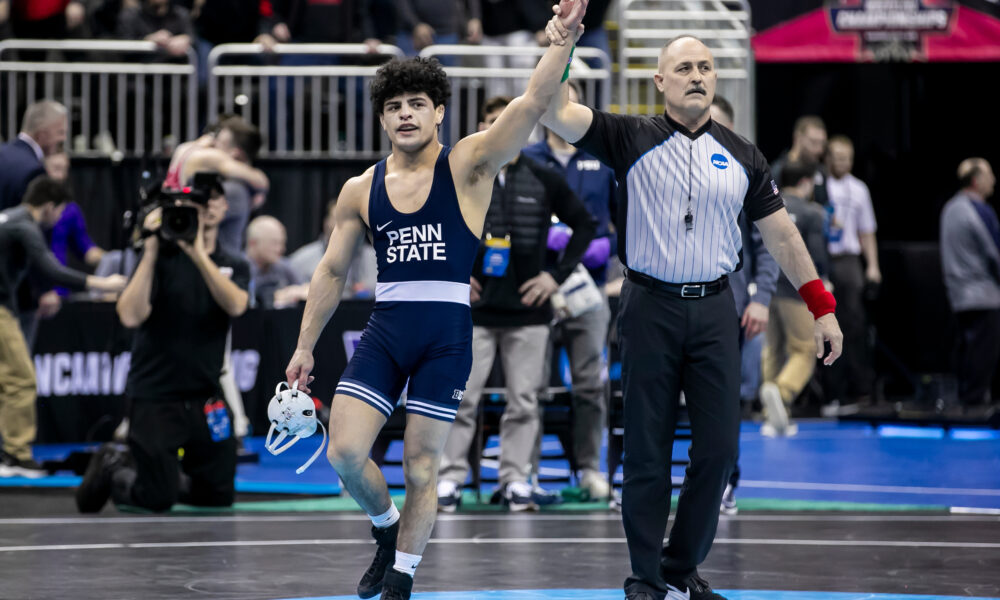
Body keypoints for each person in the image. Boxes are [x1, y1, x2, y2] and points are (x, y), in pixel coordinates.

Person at [283, 3, 588, 598]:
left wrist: (565, 40)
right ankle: (385, 527)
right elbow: (330, 269)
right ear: (381, 119)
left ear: (439, 112)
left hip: (447, 334)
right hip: (388, 327)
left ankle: (402, 576)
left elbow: (529, 105)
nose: (404, 114)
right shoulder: (361, 188)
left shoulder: (470, 163)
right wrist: (303, 347)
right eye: (393, 107)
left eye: (416, 104)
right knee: (344, 452)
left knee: (422, 466)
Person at [542, 22, 843, 600]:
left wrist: (821, 307)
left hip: (713, 310)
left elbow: (782, 237)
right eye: (684, 68)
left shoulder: (742, 154)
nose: (697, 76)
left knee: (720, 451)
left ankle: (681, 565)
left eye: (705, 67)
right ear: (659, 81)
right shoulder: (628, 136)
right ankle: (645, 576)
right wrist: (565, 41)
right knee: (647, 449)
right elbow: (555, 110)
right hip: (648, 306)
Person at [435, 95, 596, 511]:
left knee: (524, 401)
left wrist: (554, 277)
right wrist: (454, 276)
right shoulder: (462, 175)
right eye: (492, 122)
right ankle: (449, 480)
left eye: (508, 122)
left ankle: (514, 480)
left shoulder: (545, 177)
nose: (501, 129)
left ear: (524, 131)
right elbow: (434, 226)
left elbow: (585, 224)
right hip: (473, 313)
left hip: (530, 313)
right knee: (461, 398)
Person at [75, 178, 251, 513]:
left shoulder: (233, 263)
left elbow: (237, 306)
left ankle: (168, 475)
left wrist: (198, 254)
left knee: (217, 495)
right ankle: (115, 466)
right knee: (157, 499)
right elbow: (129, 315)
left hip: (206, 394)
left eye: (202, 207)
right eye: (185, 211)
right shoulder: (156, 259)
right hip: (157, 395)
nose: (194, 216)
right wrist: (153, 250)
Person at [521, 81, 614, 500]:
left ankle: (591, 468)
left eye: (571, 102)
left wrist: (605, 247)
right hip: (536, 289)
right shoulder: (526, 158)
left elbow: (619, 224)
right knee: (531, 386)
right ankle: (528, 471)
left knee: (591, 384)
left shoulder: (601, 160)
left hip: (588, 290)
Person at [0, 177, 126, 478]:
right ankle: (15, 455)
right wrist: (100, 283)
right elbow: (48, 267)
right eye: (59, 213)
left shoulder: (7, 217)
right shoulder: (24, 226)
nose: (58, 220)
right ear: (49, 206)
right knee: (21, 378)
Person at [708, 94, 779, 515]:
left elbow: (769, 244)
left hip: (731, 307)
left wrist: (762, 299)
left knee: (723, 402)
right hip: (674, 306)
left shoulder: (748, 173)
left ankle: (726, 482)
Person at [760, 161, 829, 437]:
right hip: (797, 290)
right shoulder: (813, 213)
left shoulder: (768, 206)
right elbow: (816, 254)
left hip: (768, 287)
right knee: (803, 350)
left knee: (773, 349)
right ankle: (781, 391)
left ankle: (772, 413)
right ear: (806, 182)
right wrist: (822, 283)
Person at [824, 135, 880, 407]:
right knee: (825, 321)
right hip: (824, 259)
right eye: (837, 157)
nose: (842, 162)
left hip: (849, 260)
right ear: (828, 158)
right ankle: (831, 389)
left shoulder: (859, 190)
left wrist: (873, 266)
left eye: (847, 158)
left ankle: (861, 387)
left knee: (855, 324)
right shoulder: (819, 186)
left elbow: (867, 231)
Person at [940, 158, 999, 410]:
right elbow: (994, 253)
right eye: (989, 175)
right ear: (976, 181)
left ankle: (966, 402)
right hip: (984, 295)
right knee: (983, 353)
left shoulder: (949, 208)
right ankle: (976, 406)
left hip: (958, 294)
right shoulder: (979, 209)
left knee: (967, 349)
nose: (993, 180)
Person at [288, 198, 378, 298]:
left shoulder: (380, 259)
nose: (349, 225)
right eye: (340, 218)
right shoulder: (299, 261)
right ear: (326, 223)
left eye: (354, 219)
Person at [0, 100, 67, 210]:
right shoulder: (34, 171)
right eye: (60, 132)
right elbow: (32, 222)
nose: (64, 139)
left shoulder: (2, 152)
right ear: (42, 134)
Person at [245, 215, 308, 309]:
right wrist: (275, 297)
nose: (281, 249)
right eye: (274, 243)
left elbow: (308, 290)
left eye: (282, 243)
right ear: (253, 243)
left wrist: (290, 293)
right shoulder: (240, 268)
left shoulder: (282, 266)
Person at [770, 115, 829, 207]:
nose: (820, 150)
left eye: (822, 143)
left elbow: (826, 207)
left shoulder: (820, 172)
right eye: (814, 142)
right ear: (798, 138)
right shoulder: (778, 170)